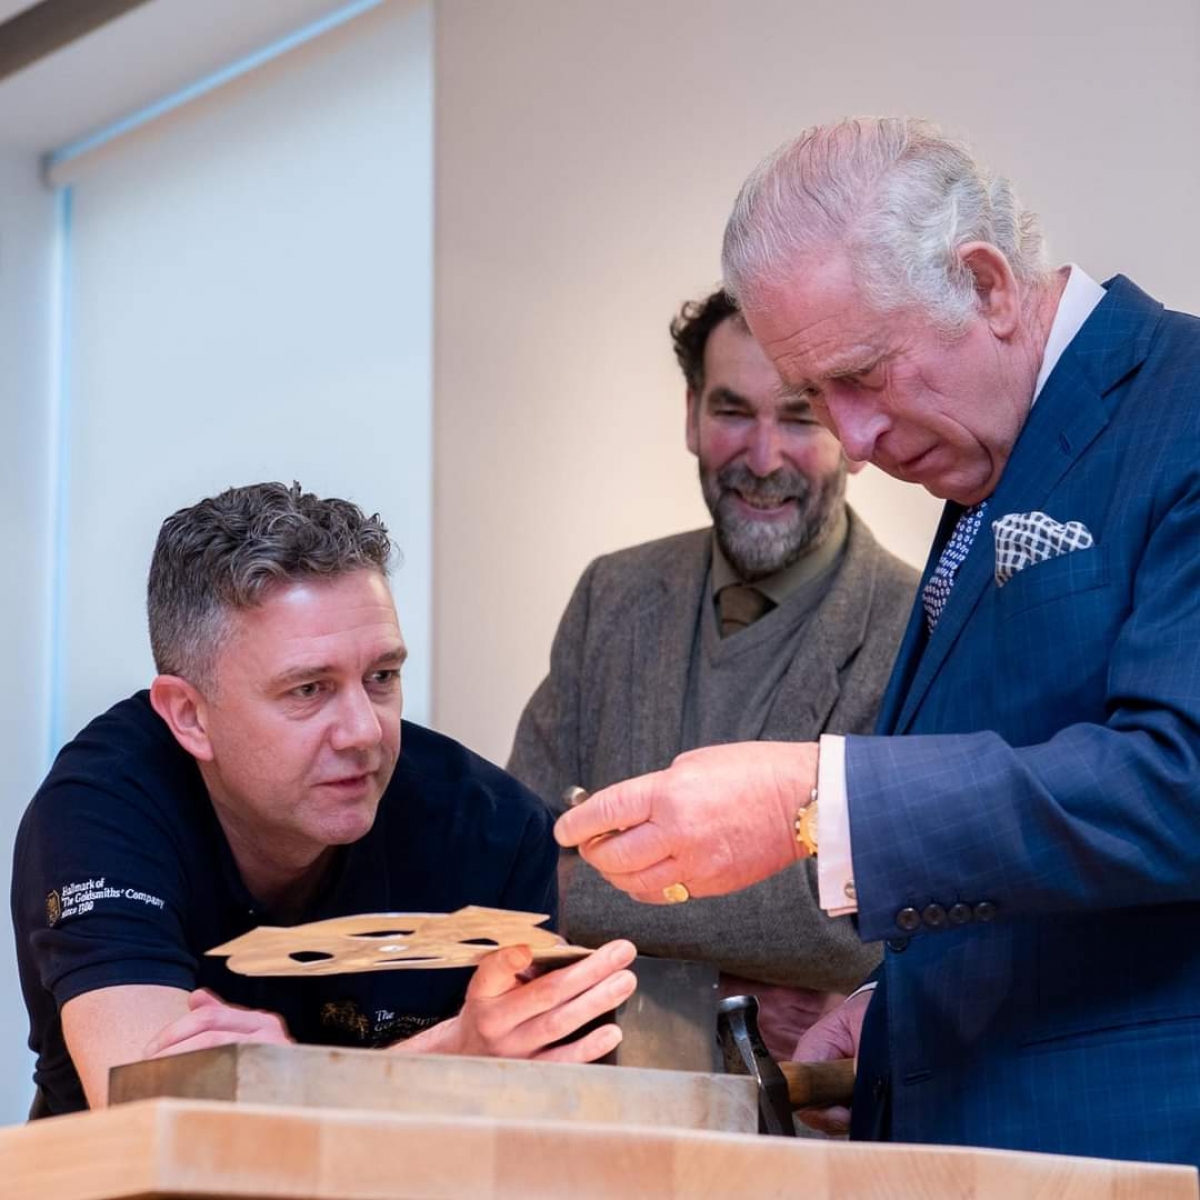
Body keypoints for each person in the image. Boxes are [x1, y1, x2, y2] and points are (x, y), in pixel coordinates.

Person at [555, 117, 1200, 1169]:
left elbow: (1182, 782)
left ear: (987, 284)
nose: (850, 441)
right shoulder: (995, 462)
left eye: (864, 377)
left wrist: (813, 801)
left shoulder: (1181, 405)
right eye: (824, 399)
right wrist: (895, 1004)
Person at [13, 482, 636, 1116]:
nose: (365, 731)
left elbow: (530, 1130)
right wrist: (449, 1053)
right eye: (309, 689)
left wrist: (294, 1082)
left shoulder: (495, 831)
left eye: (382, 678)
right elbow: (155, 1120)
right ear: (190, 717)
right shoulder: (103, 806)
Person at [509, 290, 916, 1058]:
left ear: (851, 426)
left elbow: (860, 928)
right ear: (691, 414)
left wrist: (588, 889)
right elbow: (520, 871)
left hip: (812, 1127)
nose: (763, 460)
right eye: (733, 412)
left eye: (799, 417)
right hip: (595, 1101)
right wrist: (767, 940)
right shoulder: (612, 596)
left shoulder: (918, 623)